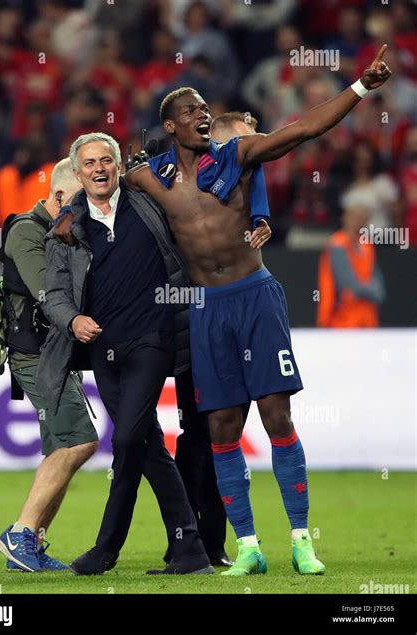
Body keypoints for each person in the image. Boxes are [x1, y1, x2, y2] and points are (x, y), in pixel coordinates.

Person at [108, 46, 390, 576]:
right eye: (191, 111)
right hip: (206, 308)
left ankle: (303, 541)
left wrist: (360, 88)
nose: (203, 116)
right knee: (220, 426)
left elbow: (303, 129)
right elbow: (99, 183)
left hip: (255, 296)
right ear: (170, 124)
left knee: (277, 415)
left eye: (205, 110)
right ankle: (249, 547)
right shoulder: (150, 177)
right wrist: (56, 217)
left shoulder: (235, 156)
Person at [37, 132, 213, 576]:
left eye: (106, 162)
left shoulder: (146, 202)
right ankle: (190, 548)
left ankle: (106, 548)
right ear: (77, 175)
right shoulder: (66, 230)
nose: (99, 170)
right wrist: (72, 320)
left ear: (119, 167)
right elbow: (53, 295)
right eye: (90, 164)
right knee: (147, 443)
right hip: (102, 350)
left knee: (129, 439)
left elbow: (170, 164)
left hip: (153, 339)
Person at [170, 111, 266, 569]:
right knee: (197, 437)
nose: (251, 150)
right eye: (244, 141)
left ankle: (214, 542)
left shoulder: (243, 183)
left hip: (222, 320)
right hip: (187, 327)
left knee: (219, 436)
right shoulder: (166, 177)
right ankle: (188, 542)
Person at [0, 158, 99, 572]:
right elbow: (49, 294)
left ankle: (30, 545)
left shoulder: (61, 232)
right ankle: (20, 533)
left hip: (53, 353)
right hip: (35, 355)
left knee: (60, 445)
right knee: (79, 441)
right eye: (80, 199)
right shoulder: (25, 231)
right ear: (59, 196)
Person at [317, 200, 385, 328]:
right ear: (345, 218)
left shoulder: (367, 245)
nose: (359, 221)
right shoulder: (337, 244)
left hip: (367, 318)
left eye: (363, 218)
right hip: (341, 319)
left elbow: (377, 279)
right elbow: (347, 283)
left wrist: (375, 292)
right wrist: (372, 292)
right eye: (355, 217)